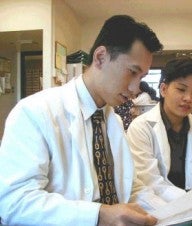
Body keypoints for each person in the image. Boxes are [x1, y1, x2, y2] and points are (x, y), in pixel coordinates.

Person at [0, 15, 166, 226]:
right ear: (100, 57)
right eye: (132, 72)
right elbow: (14, 202)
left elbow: (127, 186)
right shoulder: (35, 111)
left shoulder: (112, 120)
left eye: (141, 78)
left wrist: (175, 212)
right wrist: (98, 215)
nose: (135, 89)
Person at [127, 57, 192, 202]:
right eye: (181, 89)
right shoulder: (141, 128)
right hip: (157, 208)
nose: (188, 98)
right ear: (164, 89)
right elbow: (149, 183)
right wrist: (191, 202)